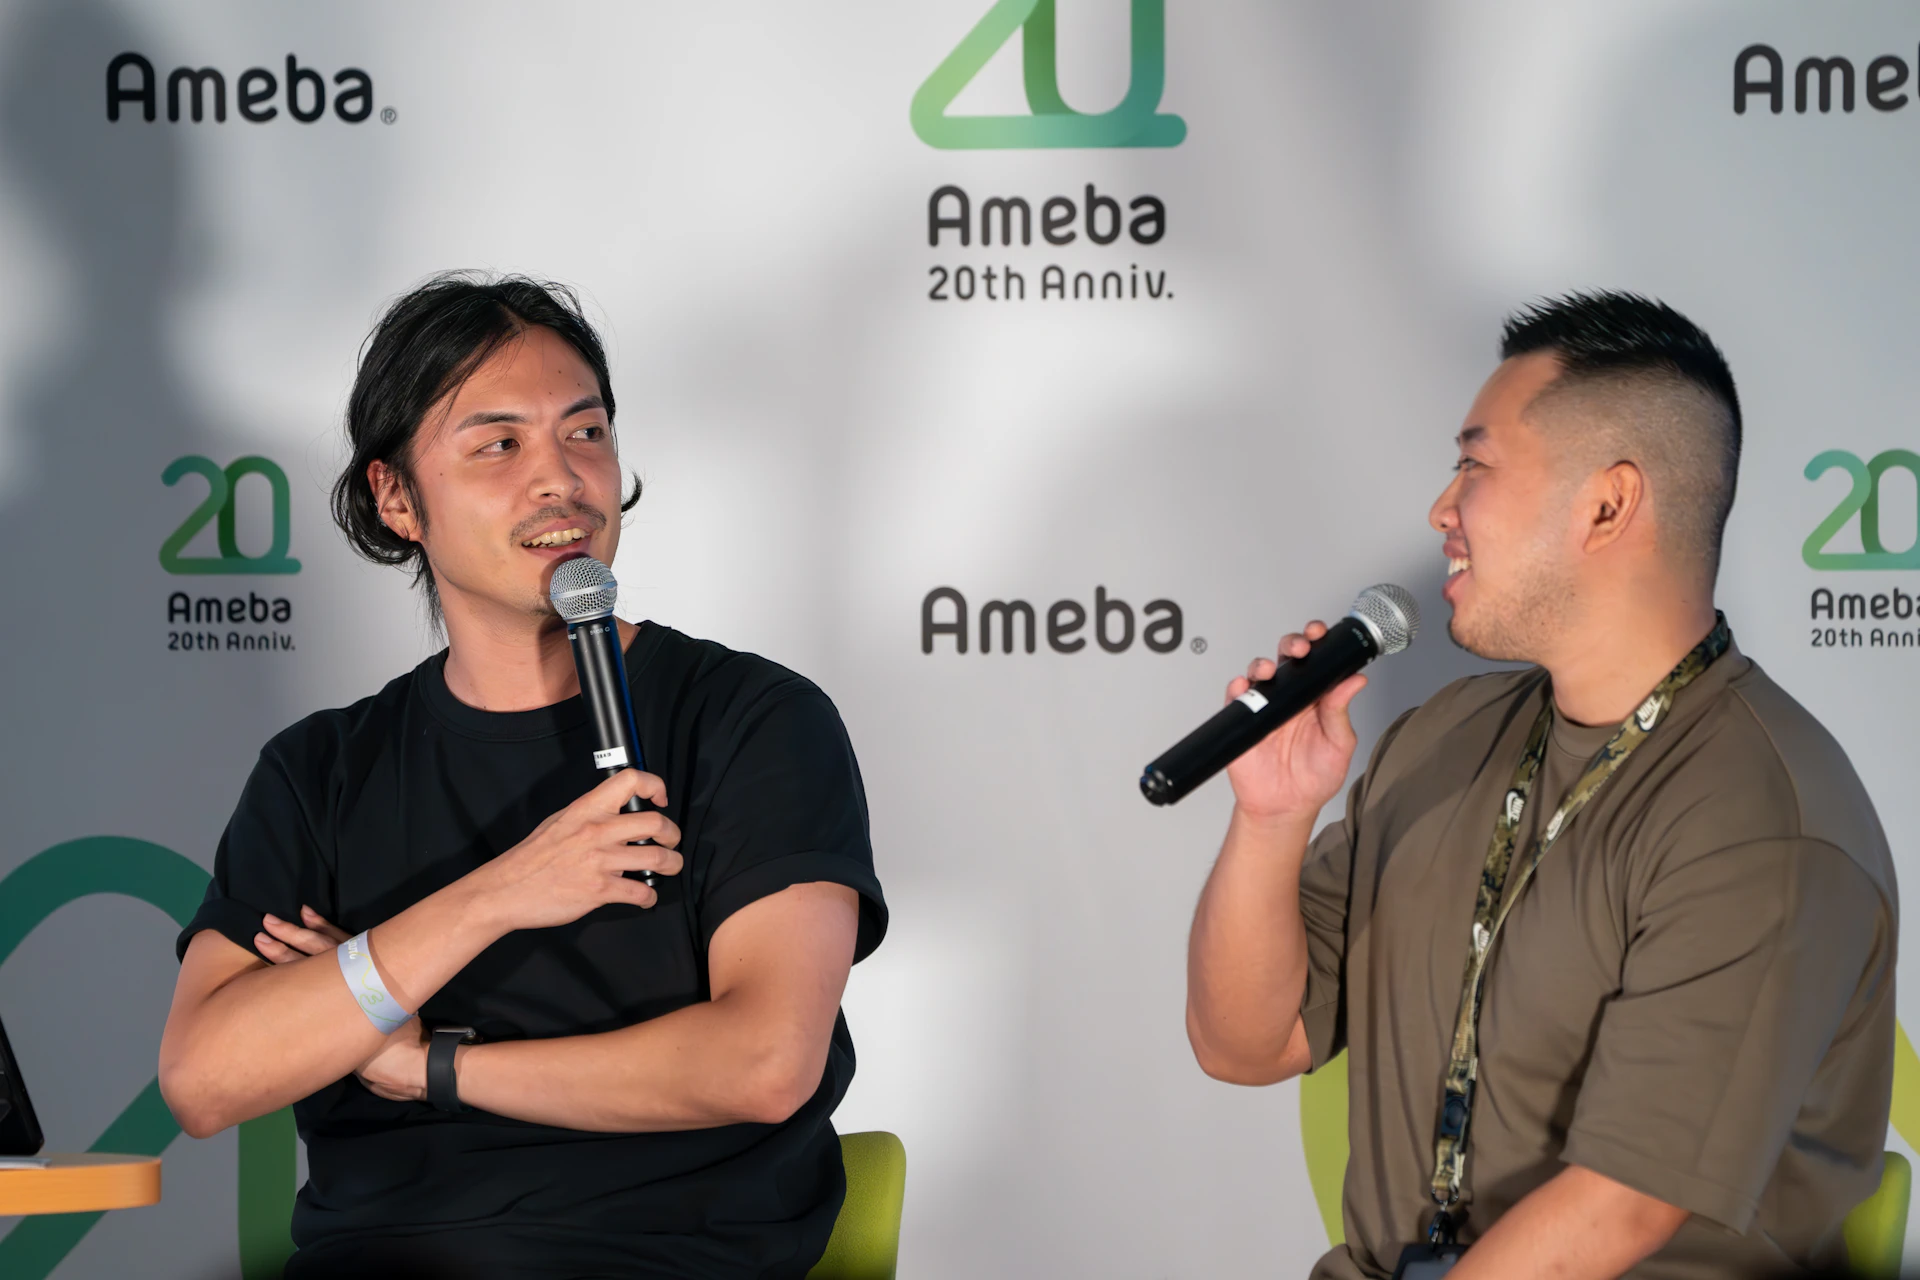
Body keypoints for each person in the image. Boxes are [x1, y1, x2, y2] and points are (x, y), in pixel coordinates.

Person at [158, 273, 887, 1279]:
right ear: (396, 498)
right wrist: (498, 894)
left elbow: (763, 1063)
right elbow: (206, 1079)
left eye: (585, 433)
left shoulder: (752, 719)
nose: (560, 479)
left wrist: (427, 1063)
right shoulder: (320, 769)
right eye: (498, 445)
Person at [1185, 291, 1897, 1279]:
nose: (1441, 509)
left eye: (1475, 466)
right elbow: (1244, 1042)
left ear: (1608, 504)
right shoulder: (1445, 736)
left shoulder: (1763, 819)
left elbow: (1617, 1211)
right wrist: (1272, 816)